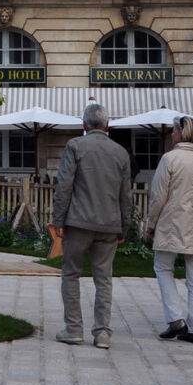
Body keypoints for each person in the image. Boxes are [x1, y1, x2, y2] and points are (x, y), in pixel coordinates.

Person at [52, 102, 134, 349]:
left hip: (78, 221)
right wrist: (125, 226)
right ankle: (102, 333)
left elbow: (64, 185)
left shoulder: (75, 146)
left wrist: (58, 219)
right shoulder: (120, 152)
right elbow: (125, 194)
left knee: (71, 274)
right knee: (104, 279)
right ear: (107, 125)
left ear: (84, 125)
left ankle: (74, 329)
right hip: (109, 224)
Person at [145, 116, 193, 346]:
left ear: (181, 133)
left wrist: (151, 223)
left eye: (173, 131)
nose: (171, 134)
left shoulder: (170, 158)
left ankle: (175, 318)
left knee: (163, 267)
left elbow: (158, 195)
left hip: (172, 220)